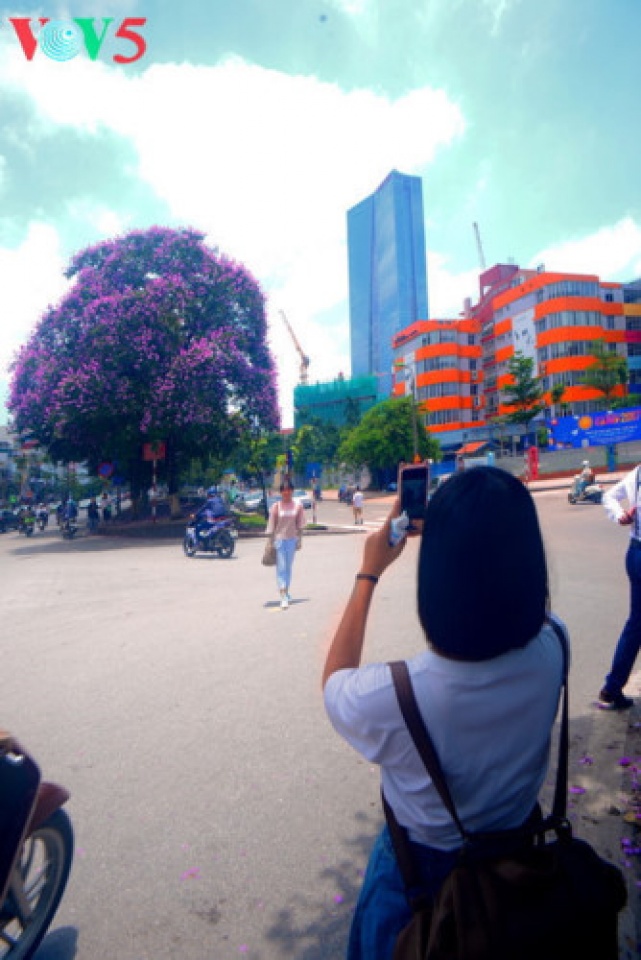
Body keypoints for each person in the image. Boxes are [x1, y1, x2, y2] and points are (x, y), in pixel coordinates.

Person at [322, 466, 566, 960]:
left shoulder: (395, 695)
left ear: (437, 576)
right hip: (520, 863)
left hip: (418, 880)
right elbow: (519, 596)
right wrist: (466, 538)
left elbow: (334, 682)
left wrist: (369, 572)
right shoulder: (554, 646)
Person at [599, 464, 641, 710]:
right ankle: (613, 686)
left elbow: (609, 496)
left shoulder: (637, 473)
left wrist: (620, 516)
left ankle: (612, 687)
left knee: (636, 625)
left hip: (635, 553)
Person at [265, 478, 305, 610]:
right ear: (281, 492)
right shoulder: (276, 507)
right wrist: (270, 541)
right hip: (279, 540)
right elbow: (271, 525)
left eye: (289, 490)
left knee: (288, 567)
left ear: (292, 491)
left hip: (292, 540)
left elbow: (300, 525)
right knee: (281, 568)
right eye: (284, 490)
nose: (286, 493)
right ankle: (283, 595)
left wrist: (300, 539)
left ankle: (286, 591)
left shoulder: (297, 506)